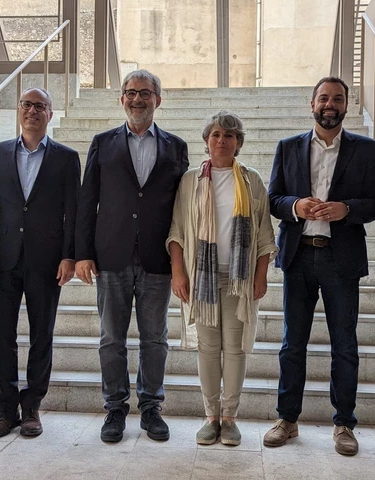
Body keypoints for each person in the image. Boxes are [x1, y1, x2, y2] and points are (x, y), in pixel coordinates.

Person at [264, 76, 375, 455]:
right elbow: (272, 199)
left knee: (345, 345)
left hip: (341, 258)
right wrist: (295, 207)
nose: (329, 104)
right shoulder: (287, 148)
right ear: (311, 104)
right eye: (323, 98)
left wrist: (346, 210)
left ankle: (344, 424)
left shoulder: (366, 150)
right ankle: (287, 419)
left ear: (346, 105)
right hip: (299, 256)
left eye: (337, 99)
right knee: (291, 344)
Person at [75, 69, 189, 443]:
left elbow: (183, 208)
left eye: (145, 93)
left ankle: (152, 407)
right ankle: (115, 408)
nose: (137, 99)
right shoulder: (102, 142)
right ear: (121, 99)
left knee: (155, 338)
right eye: (130, 93)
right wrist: (83, 253)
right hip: (111, 256)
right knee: (111, 338)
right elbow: (87, 200)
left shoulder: (176, 146)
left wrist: (180, 262)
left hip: (158, 258)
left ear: (159, 98)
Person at [167, 111, 276, 446]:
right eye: (215, 135)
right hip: (201, 277)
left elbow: (263, 235)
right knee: (208, 348)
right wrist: (178, 272)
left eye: (229, 136)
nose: (222, 141)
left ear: (238, 143)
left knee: (236, 349)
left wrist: (261, 276)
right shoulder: (190, 181)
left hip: (238, 279)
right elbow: (177, 231)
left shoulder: (252, 180)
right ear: (206, 141)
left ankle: (230, 418)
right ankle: (210, 417)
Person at [0, 87, 81, 438]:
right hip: (5, 258)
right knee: (2, 336)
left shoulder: (66, 158)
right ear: (18, 111)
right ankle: (6, 410)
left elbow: (73, 212)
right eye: (26, 104)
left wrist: (69, 255)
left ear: (50, 114)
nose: (32, 111)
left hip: (47, 260)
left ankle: (32, 406)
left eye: (40, 106)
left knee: (42, 336)